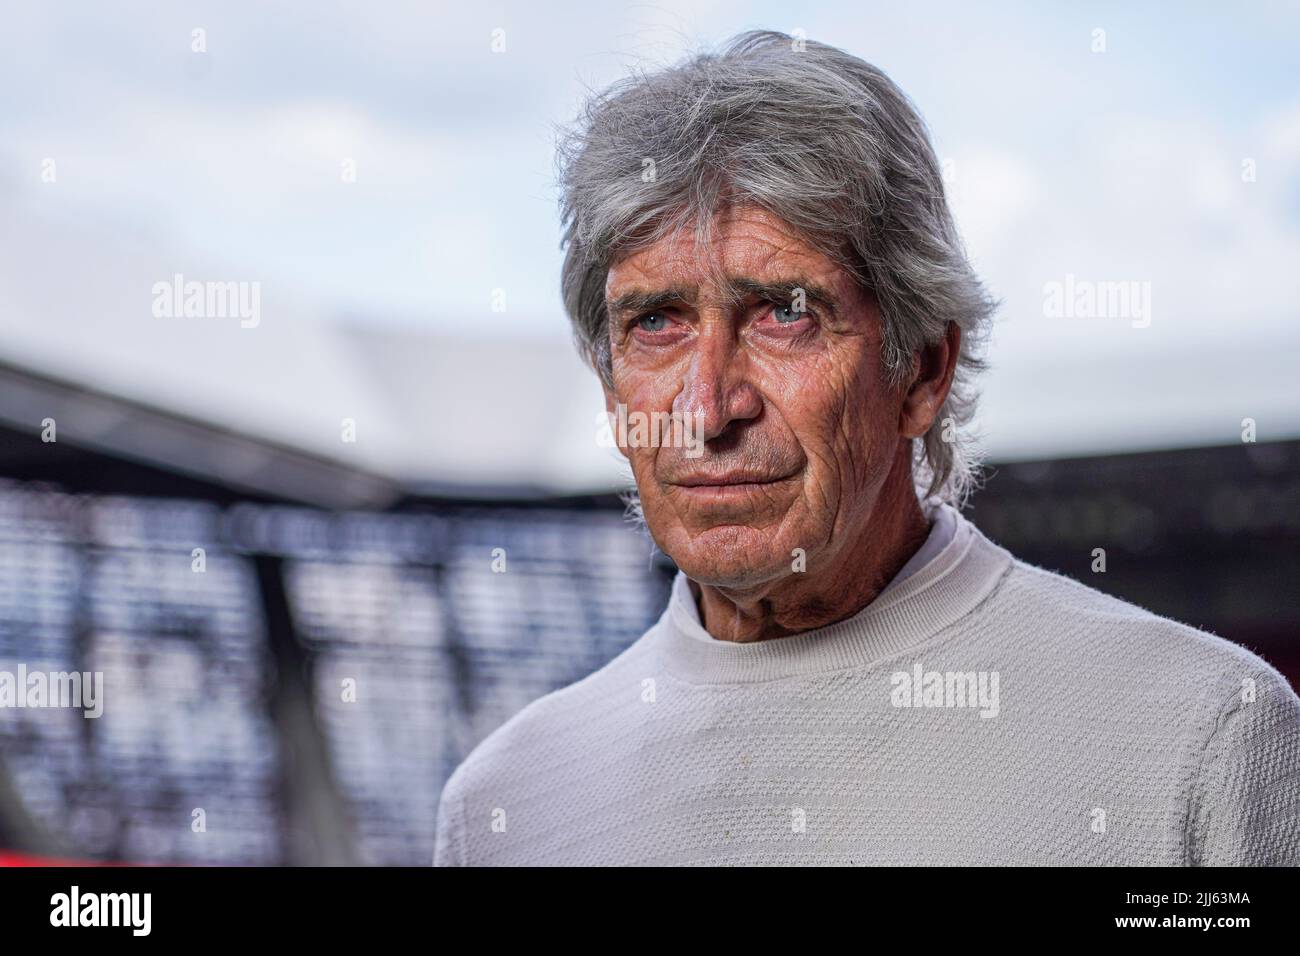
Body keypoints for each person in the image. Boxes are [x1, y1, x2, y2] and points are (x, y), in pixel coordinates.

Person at [434, 31, 1299, 866]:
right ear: (611, 386)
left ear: (923, 368)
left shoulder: (1200, 742)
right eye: (655, 323)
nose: (707, 409)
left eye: (784, 312)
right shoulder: (505, 811)